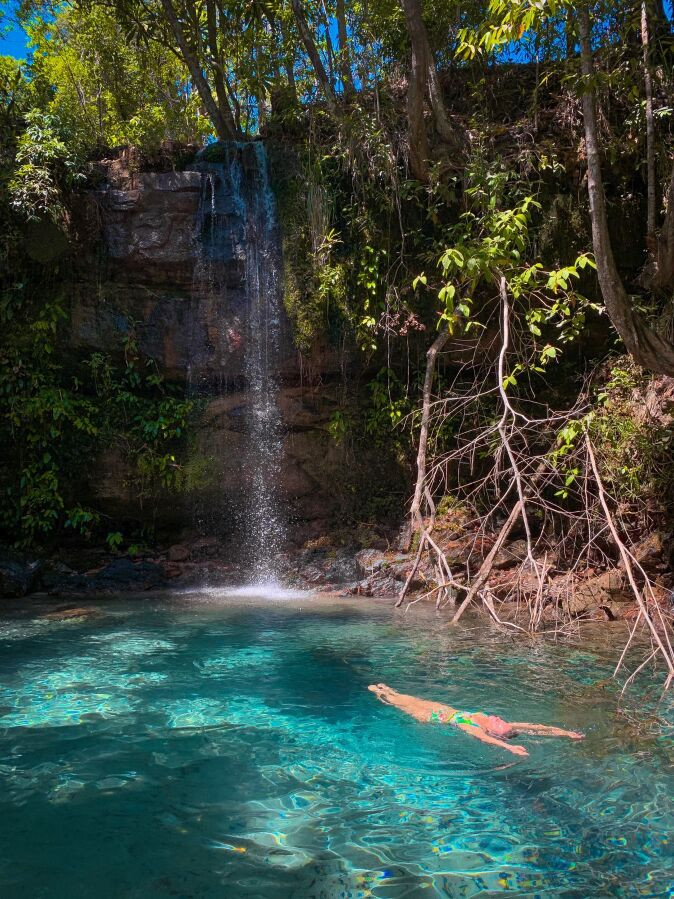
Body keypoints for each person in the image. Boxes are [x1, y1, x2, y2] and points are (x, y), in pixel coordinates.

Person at [368, 683, 584, 757]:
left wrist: (510, 749)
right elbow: (535, 727)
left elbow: (487, 740)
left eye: (499, 723)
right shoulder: (492, 721)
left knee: (398, 704)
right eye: (501, 719)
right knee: (409, 698)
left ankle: (379, 693)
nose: (499, 718)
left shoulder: (470, 727)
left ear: (496, 731)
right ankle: (386, 689)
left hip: (430, 717)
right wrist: (565, 733)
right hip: (444, 709)